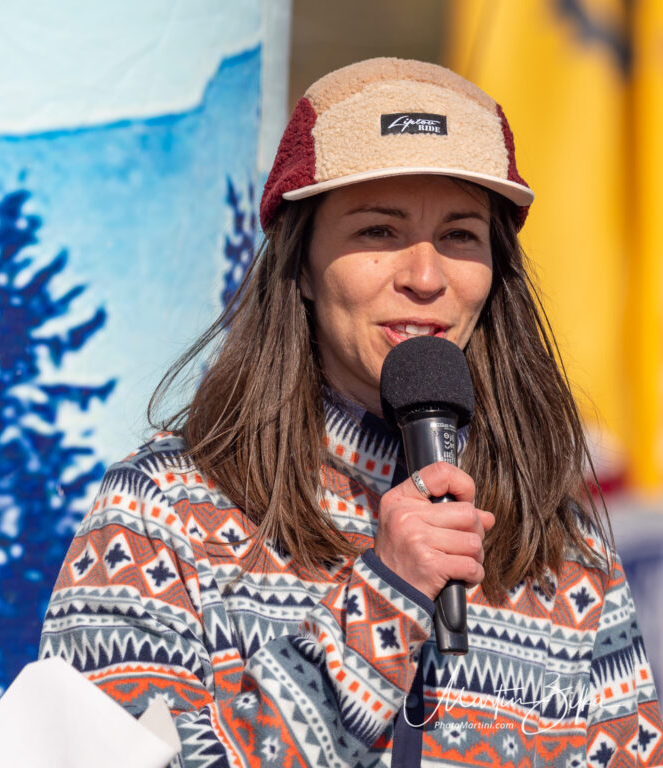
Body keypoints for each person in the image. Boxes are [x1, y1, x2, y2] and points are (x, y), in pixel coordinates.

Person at [39, 57, 663, 767]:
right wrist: (382, 608)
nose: (425, 276)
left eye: (460, 235)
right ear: (301, 263)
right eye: (378, 232)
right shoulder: (163, 510)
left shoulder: (565, 544)